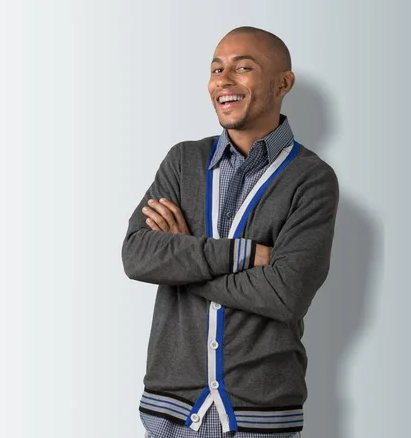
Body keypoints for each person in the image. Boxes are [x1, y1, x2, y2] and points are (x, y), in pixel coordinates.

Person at [122, 26, 339, 438]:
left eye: (243, 68)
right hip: (171, 412)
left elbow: (284, 293)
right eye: (216, 68)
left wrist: (182, 260)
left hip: (261, 416)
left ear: (283, 83)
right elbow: (136, 255)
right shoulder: (184, 162)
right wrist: (241, 255)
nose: (223, 80)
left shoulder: (311, 179)